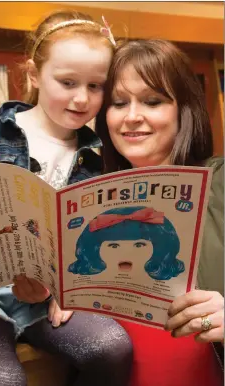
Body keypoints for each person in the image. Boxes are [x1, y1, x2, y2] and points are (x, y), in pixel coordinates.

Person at [0, 11, 133, 386]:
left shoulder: (101, 156)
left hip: (42, 299)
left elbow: (95, 238)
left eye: (96, 86)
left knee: (111, 346)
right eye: (67, 82)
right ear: (34, 74)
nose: (81, 97)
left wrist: (72, 288)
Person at [95, 38, 224, 386]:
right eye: (119, 103)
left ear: (184, 110)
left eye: (152, 101)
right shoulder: (86, 198)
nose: (132, 116)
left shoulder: (222, 181)